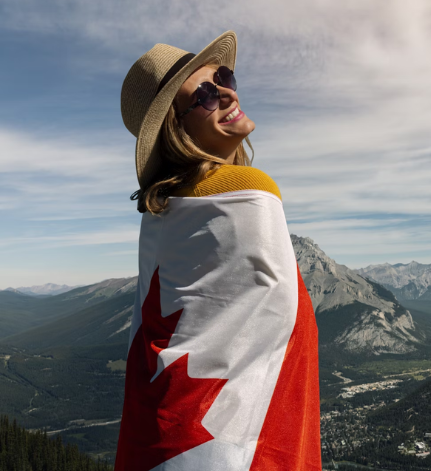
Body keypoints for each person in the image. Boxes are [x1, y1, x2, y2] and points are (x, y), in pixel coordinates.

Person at [117, 30, 321, 470]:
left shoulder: (163, 211)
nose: (228, 93)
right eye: (205, 95)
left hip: (167, 432)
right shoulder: (247, 188)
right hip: (230, 442)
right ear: (176, 128)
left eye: (224, 78)